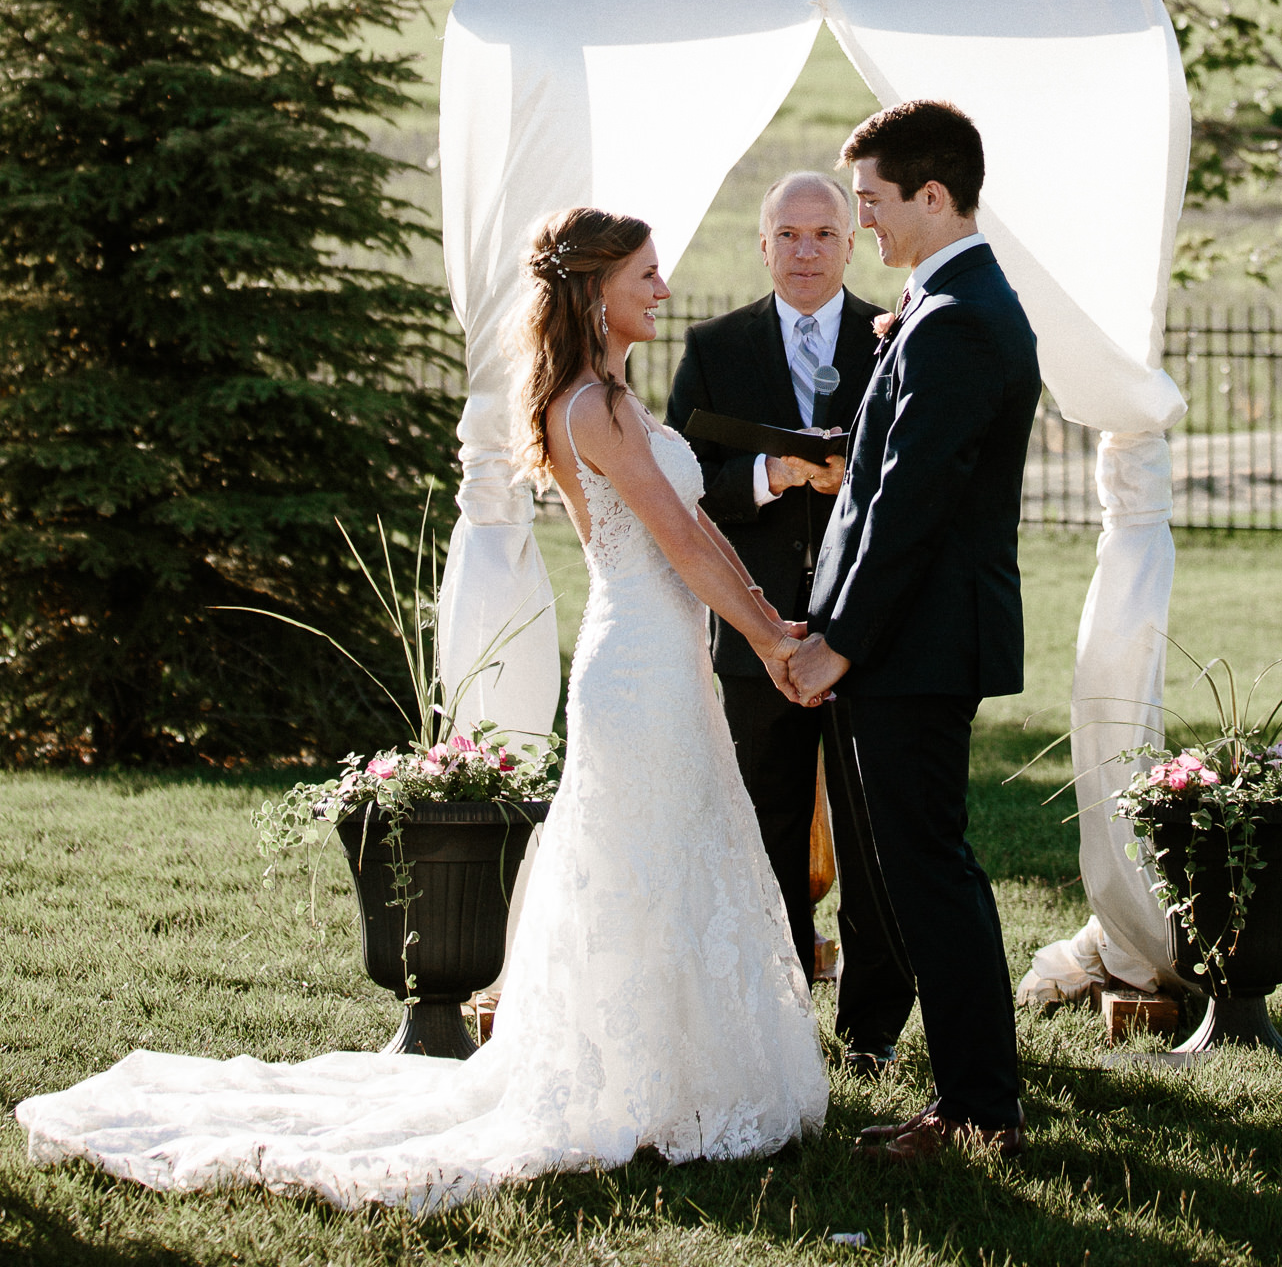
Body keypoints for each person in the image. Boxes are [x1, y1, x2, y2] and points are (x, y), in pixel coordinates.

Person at [17, 208, 827, 1209]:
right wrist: (768, 640)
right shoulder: (594, 409)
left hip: (667, 658)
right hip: (638, 668)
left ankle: (678, 1074)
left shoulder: (615, 398)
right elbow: (678, 541)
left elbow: (700, 525)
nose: (663, 288)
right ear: (594, 288)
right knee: (642, 865)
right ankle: (639, 1082)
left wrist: (773, 625)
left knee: (670, 858)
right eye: (647, 274)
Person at [787, 101, 1040, 1164]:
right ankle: (970, 1093)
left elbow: (908, 503)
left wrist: (837, 637)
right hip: (905, 635)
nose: (864, 224)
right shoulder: (943, 304)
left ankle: (978, 1105)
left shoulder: (961, 315)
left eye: (874, 203)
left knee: (927, 869)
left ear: (932, 195)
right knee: (913, 868)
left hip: (915, 641)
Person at [668, 172, 916, 1072]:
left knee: (871, 838)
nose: (806, 251)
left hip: (865, 636)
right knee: (764, 832)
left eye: (824, 233)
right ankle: (773, 1025)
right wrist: (772, 476)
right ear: (763, 245)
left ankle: (872, 1033)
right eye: (789, 235)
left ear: (851, 243)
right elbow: (678, 490)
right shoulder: (715, 345)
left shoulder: (893, 336)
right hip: (754, 635)